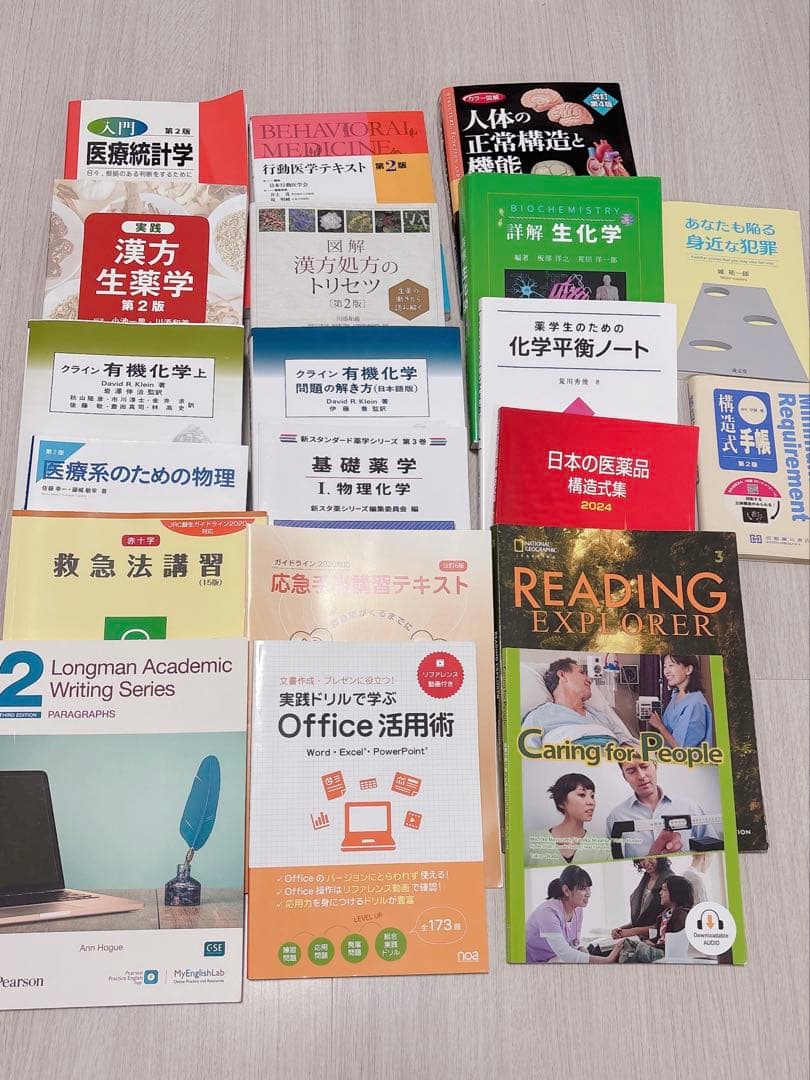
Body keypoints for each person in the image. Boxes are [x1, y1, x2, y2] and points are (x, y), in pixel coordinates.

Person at [605, 756, 721, 858]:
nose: (641, 776)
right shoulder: (615, 817)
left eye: (644, 766)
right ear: (624, 776)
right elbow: (612, 860)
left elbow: (715, 850)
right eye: (631, 771)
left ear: (655, 765)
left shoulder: (689, 807)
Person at [522, 658, 637, 748]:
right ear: (562, 675)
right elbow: (529, 758)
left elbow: (627, 744)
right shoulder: (539, 717)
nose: (590, 680)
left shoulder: (602, 717)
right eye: (582, 673)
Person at [525, 865, 622, 964]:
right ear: (566, 891)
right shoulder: (548, 912)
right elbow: (566, 954)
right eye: (583, 888)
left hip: (555, 958)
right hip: (534, 963)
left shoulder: (578, 909)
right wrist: (607, 960)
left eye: (589, 888)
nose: (588, 894)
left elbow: (573, 944)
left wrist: (581, 950)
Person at [530, 773, 612, 865]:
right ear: (561, 802)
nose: (591, 802)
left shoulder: (601, 845)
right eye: (582, 794)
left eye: (592, 796)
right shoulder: (534, 842)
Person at [613, 875, 695, 963]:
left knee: (641, 948)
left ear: (676, 893)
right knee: (626, 942)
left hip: (665, 953)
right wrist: (649, 941)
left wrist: (654, 946)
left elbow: (675, 944)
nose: (660, 893)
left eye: (664, 890)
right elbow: (659, 936)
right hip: (656, 948)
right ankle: (628, 958)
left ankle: (628, 958)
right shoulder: (665, 914)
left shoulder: (681, 916)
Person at [647, 655, 714, 747]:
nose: (666, 672)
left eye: (671, 665)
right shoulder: (676, 695)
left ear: (688, 669)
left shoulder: (695, 703)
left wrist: (659, 726)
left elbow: (681, 750)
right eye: (665, 667)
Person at [611, 857, 672, 936]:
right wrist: (620, 929)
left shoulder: (670, 881)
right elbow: (640, 920)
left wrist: (631, 932)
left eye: (650, 857)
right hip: (640, 936)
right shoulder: (646, 878)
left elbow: (666, 924)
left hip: (656, 939)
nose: (646, 863)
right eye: (642, 859)